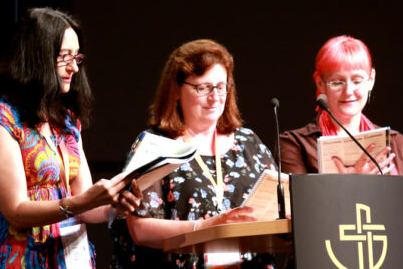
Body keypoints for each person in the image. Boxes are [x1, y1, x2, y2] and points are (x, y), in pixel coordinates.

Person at [0, 7, 143, 268]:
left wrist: (113, 205)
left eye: (77, 57)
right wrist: (80, 202)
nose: (74, 67)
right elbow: (16, 212)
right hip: (22, 260)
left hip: (70, 258)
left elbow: (84, 203)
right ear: (36, 57)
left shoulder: (67, 122)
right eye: (65, 57)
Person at [110, 39, 280, 268]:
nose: (215, 97)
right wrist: (208, 227)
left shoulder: (249, 142)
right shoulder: (156, 146)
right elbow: (141, 229)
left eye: (221, 87)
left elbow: (276, 205)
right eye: (203, 88)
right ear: (177, 90)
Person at [278, 35, 403, 268]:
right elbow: (299, 221)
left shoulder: (397, 144)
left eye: (357, 80)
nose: (349, 92)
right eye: (337, 82)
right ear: (319, 83)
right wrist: (350, 183)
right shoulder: (295, 144)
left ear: (371, 79)